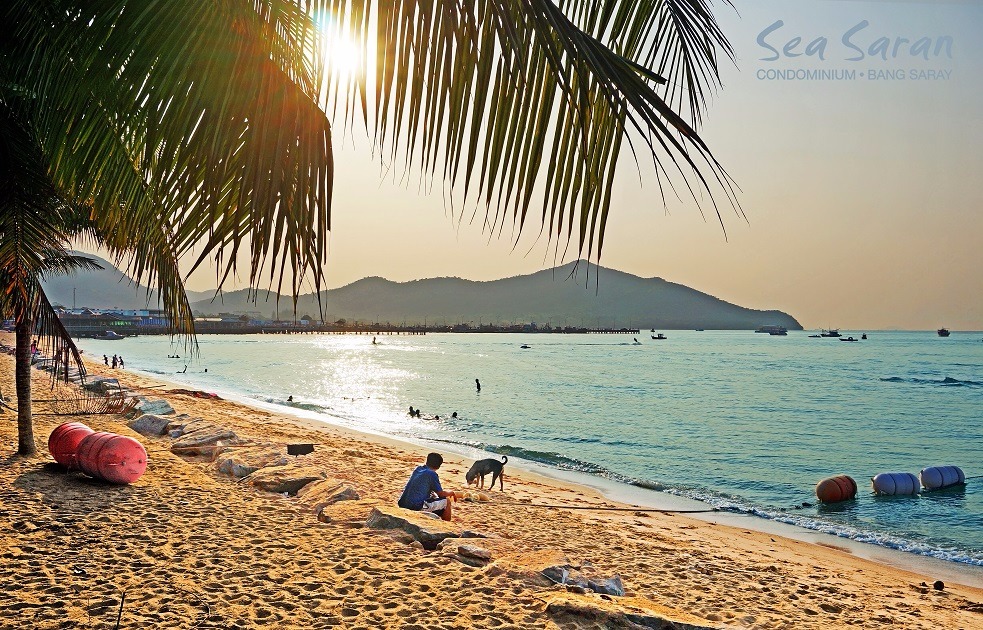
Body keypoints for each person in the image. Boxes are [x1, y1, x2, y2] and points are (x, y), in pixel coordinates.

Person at [397, 452, 455, 521]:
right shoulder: (432, 474)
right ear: (438, 467)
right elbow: (440, 494)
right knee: (447, 502)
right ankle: (446, 524)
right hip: (415, 506)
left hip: (403, 503)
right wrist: (451, 493)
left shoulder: (418, 469)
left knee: (433, 498)